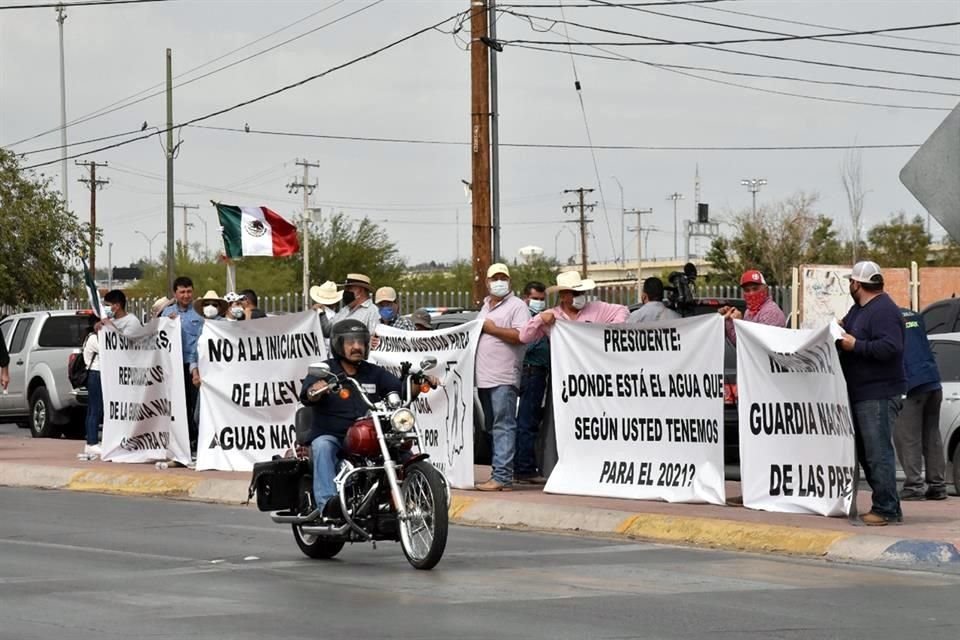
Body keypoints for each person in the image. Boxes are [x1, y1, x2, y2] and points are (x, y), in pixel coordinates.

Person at [299, 319, 436, 518]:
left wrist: (419, 381)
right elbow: (308, 394)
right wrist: (317, 389)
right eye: (350, 342)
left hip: (368, 435)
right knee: (322, 446)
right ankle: (328, 504)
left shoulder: (374, 372)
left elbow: (400, 392)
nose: (356, 347)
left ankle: (423, 497)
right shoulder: (327, 370)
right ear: (338, 345)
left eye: (360, 342)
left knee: (401, 450)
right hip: (334, 435)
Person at [838, 260, 906, 526]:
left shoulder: (884, 310)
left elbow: (891, 347)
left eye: (850, 282)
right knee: (868, 454)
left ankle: (887, 508)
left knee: (878, 453)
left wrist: (856, 345)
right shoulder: (859, 310)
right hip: (862, 392)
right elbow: (849, 329)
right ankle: (884, 503)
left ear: (857, 284)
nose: (850, 286)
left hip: (878, 393)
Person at [475, 263, 530, 492]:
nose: (499, 282)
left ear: (509, 281)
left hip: (503, 377)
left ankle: (502, 477)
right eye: (494, 278)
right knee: (492, 426)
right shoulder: (485, 306)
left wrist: (493, 329)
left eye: (503, 278)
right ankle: (499, 473)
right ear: (487, 282)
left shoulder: (517, 306)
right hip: (484, 378)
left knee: (503, 425)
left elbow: (522, 335)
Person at [82, 290, 143, 459]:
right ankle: (91, 442)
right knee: (95, 408)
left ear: (117, 305)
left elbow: (128, 342)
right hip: (101, 372)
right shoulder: (106, 325)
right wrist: (101, 327)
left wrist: (109, 326)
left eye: (108, 305)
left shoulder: (131, 321)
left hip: (121, 373)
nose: (106, 309)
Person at [894, 308, 947, 501]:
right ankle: (937, 486)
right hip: (932, 381)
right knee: (932, 437)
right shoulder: (914, 315)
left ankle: (914, 486)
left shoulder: (887, 317)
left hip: (911, 384)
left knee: (908, 438)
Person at [519, 271, 629, 343]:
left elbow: (623, 310)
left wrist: (613, 328)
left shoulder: (597, 308)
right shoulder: (551, 315)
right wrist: (539, 319)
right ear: (562, 296)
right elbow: (524, 337)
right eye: (575, 293)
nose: (580, 296)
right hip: (564, 369)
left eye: (582, 292)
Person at [161, 277, 204, 454]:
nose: (186, 295)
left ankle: (197, 441)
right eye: (182, 292)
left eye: (189, 291)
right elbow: (156, 334)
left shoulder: (199, 313)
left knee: (197, 406)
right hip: (173, 367)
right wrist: (167, 322)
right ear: (175, 293)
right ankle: (185, 441)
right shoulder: (167, 313)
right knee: (180, 406)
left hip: (194, 367)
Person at [515, 281, 550, 484]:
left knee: (528, 421)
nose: (539, 302)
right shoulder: (528, 319)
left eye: (541, 299)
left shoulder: (542, 318)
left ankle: (521, 466)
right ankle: (525, 469)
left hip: (536, 373)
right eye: (535, 298)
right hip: (531, 372)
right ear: (526, 298)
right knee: (527, 422)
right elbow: (524, 344)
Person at [719, 270, 786, 343]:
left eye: (755, 289)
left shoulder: (771, 312)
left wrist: (740, 323)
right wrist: (729, 320)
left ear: (766, 289)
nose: (751, 293)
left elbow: (755, 344)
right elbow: (739, 342)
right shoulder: (749, 311)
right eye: (747, 290)